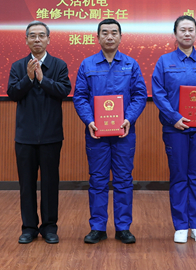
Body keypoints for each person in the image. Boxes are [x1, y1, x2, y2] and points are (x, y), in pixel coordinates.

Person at [73, 18, 147, 244]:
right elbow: (80, 96)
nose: (109, 37)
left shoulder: (131, 64)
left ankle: (123, 227)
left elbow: (139, 95)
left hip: (124, 133)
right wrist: (89, 120)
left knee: (123, 180)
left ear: (121, 37)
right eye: (104, 33)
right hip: (96, 133)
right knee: (98, 180)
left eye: (114, 32)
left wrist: (128, 118)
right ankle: (98, 227)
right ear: (98, 37)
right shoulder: (87, 64)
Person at [151, 15, 196, 244]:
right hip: (176, 129)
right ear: (175, 34)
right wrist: (174, 118)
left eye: (191, 29)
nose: (187, 33)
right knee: (179, 176)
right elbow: (159, 94)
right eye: (182, 30)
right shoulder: (164, 61)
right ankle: (181, 225)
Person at [6, 21, 72, 245]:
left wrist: (42, 79)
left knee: (50, 184)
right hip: (25, 136)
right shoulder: (18, 66)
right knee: (27, 185)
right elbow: (13, 94)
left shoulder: (58, 65)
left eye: (41, 35)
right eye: (32, 36)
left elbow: (64, 91)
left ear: (48, 39)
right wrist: (28, 78)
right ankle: (29, 228)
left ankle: (50, 227)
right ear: (26, 40)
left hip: (51, 135)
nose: (37, 39)